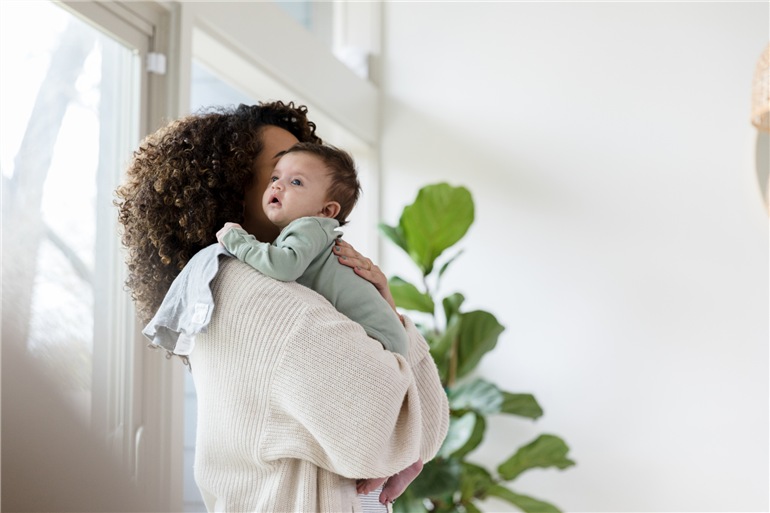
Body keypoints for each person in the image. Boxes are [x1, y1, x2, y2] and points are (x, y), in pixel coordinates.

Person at [115, 101, 449, 513]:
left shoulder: (220, 286)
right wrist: (394, 331)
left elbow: (418, 434)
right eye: (279, 172)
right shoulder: (263, 298)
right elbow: (389, 436)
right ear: (229, 188)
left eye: (299, 178)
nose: (288, 182)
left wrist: (382, 308)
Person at [215, 142, 421, 503]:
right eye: (275, 178)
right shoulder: (309, 234)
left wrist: (238, 240)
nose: (277, 186)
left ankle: (397, 456)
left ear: (328, 210)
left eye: (295, 183)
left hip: (379, 337)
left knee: (360, 407)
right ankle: (405, 456)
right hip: (385, 333)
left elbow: (282, 267)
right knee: (367, 405)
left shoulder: (308, 229)